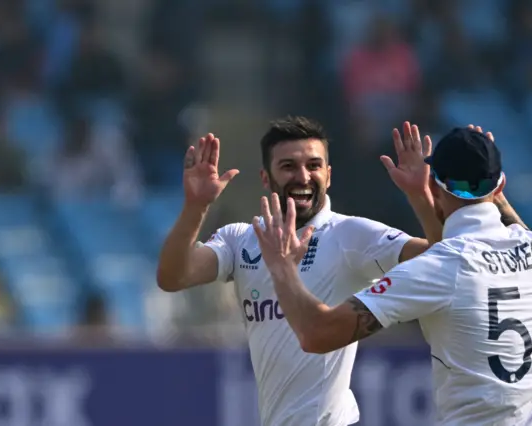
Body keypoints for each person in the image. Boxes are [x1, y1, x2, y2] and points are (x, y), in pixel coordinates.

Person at [253, 126, 532, 425]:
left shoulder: (443, 266)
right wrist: (484, 180)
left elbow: (317, 334)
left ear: (435, 184)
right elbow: (524, 259)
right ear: (499, 185)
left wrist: (281, 266)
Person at [157, 116, 442, 426]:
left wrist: (421, 199)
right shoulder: (241, 238)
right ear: (266, 178)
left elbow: (445, 259)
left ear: (329, 175)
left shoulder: (351, 235)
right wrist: (196, 206)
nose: (303, 176)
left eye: (314, 165)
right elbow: (173, 277)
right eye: (288, 166)